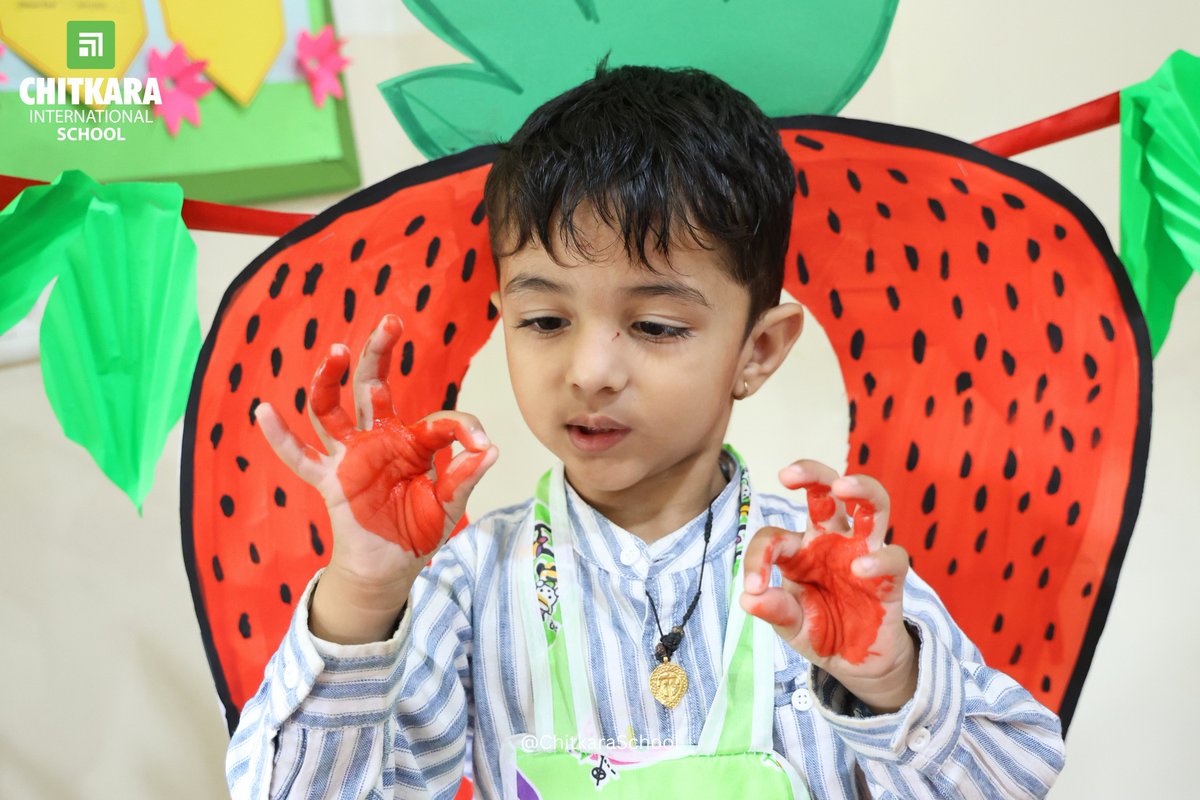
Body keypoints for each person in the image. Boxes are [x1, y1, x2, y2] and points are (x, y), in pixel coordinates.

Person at [226, 60, 1065, 799]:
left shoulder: (825, 578)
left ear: (757, 350)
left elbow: (1014, 776)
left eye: (658, 326)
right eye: (546, 320)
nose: (590, 370)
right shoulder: (469, 583)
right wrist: (364, 595)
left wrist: (889, 683)